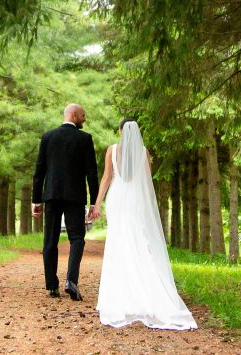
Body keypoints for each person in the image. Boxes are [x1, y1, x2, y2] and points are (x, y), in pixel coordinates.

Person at [91, 118, 197, 330]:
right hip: (136, 202)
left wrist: (97, 204)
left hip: (117, 199)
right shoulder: (144, 152)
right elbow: (147, 184)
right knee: (138, 243)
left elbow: (106, 178)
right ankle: (145, 293)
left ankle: (120, 297)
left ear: (121, 132)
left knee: (118, 244)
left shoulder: (112, 150)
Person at [31, 103, 100, 300]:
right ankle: (71, 281)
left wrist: (36, 200)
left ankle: (52, 286)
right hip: (75, 196)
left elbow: (39, 172)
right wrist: (94, 202)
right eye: (83, 116)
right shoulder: (85, 139)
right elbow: (91, 174)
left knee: (50, 240)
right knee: (77, 238)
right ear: (73, 115)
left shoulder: (47, 137)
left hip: (51, 195)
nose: (84, 119)